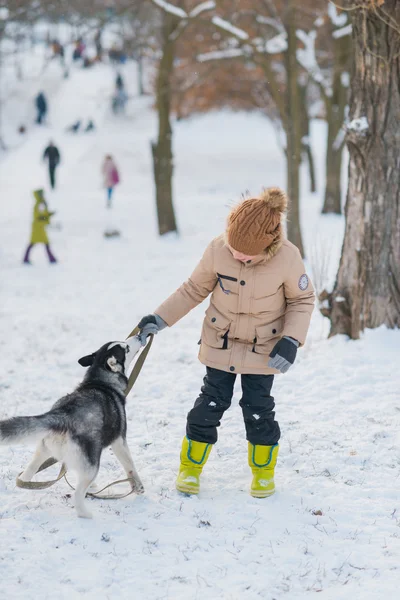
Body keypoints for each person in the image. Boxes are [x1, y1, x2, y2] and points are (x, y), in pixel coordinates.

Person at [137, 188, 315, 498]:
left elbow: (302, 299)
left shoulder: (287, 256)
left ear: (268, 245)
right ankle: (191, 468)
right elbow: (193, 289)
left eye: (245, 254)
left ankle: (263, 472)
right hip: (221, 343)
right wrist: (159, 318)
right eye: (233, 249)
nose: (236, 256)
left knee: (258, 409)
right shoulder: (218, 249)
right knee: (210, 403)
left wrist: (291, 339)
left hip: (264, 350)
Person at [23, 189, 57, 264]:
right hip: (38, 227)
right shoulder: (40, 204)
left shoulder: (41, 203)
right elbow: (40, 216)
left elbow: (43, 215)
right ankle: (51, 259)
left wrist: (49, 214)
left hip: (39, 226)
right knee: (43, 242)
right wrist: (47, 217)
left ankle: (26, 258)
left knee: (36, 243)